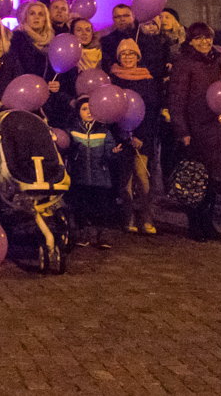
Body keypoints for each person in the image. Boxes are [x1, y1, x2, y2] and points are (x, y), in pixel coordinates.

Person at [167, 22, 221, 242]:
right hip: (195, 130)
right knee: (196, 179)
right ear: (190, 41)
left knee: (214, 181)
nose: (205, 42)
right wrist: (182, 130)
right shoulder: (185, 64)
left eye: (208, 37)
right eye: (199, 38)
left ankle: (209, 223)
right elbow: (177, 100)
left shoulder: (219, 62)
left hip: (217, 128)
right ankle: (195, 224)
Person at [109, 38, 159, 235]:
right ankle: (128, 216)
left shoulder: (147, 79)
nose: (127, 57)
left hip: (141, 136)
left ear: (138, 57)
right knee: (125, 180)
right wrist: (122, 133)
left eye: (131, 54)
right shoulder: (113, 78)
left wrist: (141, 136)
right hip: (120, 135)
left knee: (142, 177)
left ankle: (146, 216)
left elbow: (150, 110)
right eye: (123, 54)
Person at [65, 97, 118, 249]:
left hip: (100, 178)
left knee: (101, 207)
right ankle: (82, 233)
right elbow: (67, 149)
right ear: (78, 112)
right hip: (79, 177)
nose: (88, 112)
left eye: (91, 109)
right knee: (81, 207)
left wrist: (113, 152)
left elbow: (109, 154)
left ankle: (102, 235)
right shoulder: (73, 130)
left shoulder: (104, 131)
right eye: (84, 109)